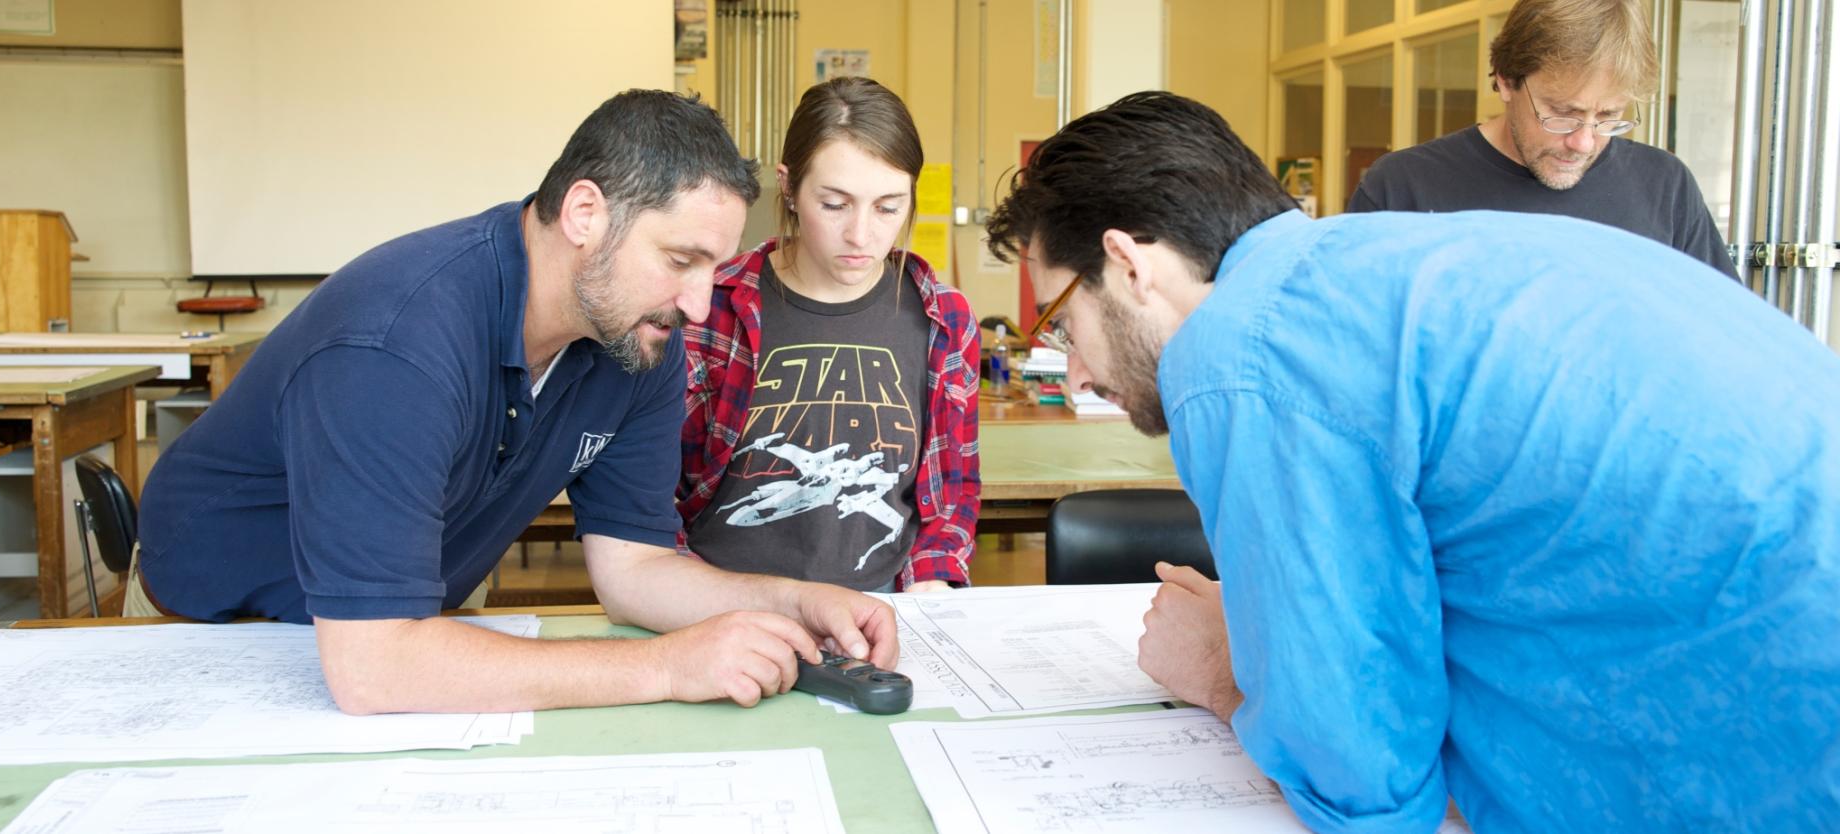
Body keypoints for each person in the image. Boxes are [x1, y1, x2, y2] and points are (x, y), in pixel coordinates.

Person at [986, 91, 1839, 832]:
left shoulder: (1244, 349)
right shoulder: (1391, 265)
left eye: (1061, 319)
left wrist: (1226, 672)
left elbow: (1364, 782)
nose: (1080, 368)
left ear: (1129, 264)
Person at [131, 89, 898, 715]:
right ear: (586, 215)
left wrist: (794, 604)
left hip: (394, 633)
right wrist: (663, 666)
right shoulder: (395, 343)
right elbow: (372, 670)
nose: (700, 304)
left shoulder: (640, 335)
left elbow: (633, 568)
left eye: (714, 267)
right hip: (211, 635)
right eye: (679, 259)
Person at [678, 77, 980, 593]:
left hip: (879, 610)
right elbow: (652, 494)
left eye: (888, 206)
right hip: (725, 607)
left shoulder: (943, 319)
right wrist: (684, 593)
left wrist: (933, 586)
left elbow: (951, 494)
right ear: (789, 187)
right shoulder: (711, 308)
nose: (862, 236)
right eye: (835, 204)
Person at [1348, 0, 1736, 276]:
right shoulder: (1402, 188)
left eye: (1608, 117)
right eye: (1563, 114)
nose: (1584, 143)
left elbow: (1719, 333)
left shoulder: (1664, 185)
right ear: (1505, 79)